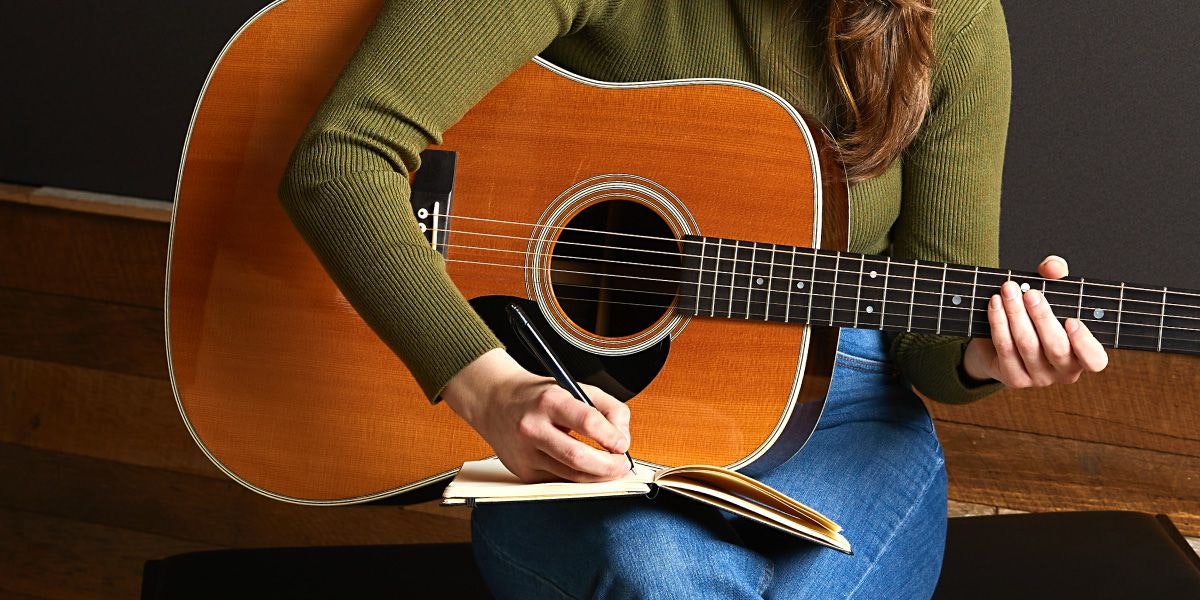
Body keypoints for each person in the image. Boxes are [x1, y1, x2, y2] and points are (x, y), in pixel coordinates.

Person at [278, 0, 1109, 597]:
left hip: (839, 402)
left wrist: (983, 353)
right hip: (571, 399)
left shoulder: (950, 18)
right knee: (662, 577)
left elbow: (925, 340)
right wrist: (488, 387)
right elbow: (340, 160)